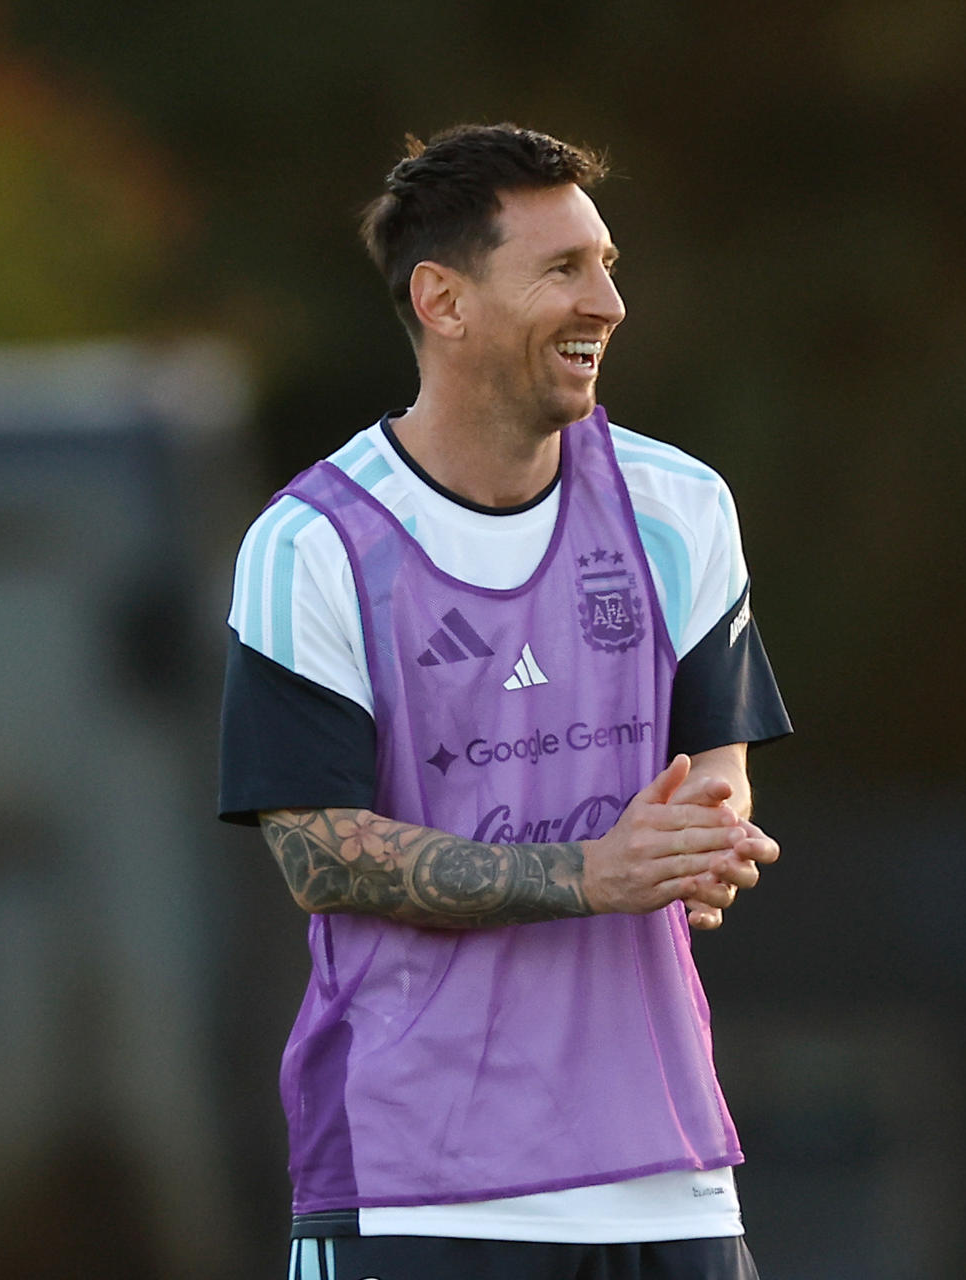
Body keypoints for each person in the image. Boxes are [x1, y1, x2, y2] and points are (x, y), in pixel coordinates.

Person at [218, 122, 791, 1280]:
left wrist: (702, 836)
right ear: (443, 299)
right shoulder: (312, 542)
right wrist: (593, 872)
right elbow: (316, 853)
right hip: (410, 1182)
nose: (610, 303)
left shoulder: (681, 507)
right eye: (564, 269)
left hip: (664, 1175)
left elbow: (714, 770)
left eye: (609, 263)